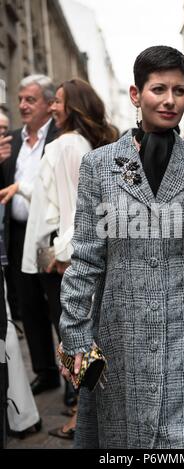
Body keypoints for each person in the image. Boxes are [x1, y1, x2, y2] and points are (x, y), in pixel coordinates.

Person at [59, 45, 184, 449]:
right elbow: (87, 256)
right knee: (129, 440)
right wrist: (74, 331)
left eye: (179, 90)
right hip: (122, 332)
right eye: (158, 88)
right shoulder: (99, 165)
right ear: (135, 94)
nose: (170, 99)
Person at [21, 78, 117, 439]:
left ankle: (81, 418)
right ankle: (84, 411)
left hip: (65, 261)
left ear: (73, 106)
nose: (54, 107)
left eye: (59, 101)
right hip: (68, 256)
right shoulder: (82, 144)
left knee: (74, 340)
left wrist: (62, 257)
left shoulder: (66, 146)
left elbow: (75, 209)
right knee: (79, 336)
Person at [0, 75, 60, 394]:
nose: (22, 105)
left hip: (50, 236)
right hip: (19, 235)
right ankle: (46, 372)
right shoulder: (11, 140)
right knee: (30, 306)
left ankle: (73, 380)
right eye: (20, 98)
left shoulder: (61, 138)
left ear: (50, 105)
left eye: (30, 100)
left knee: (59, 306)